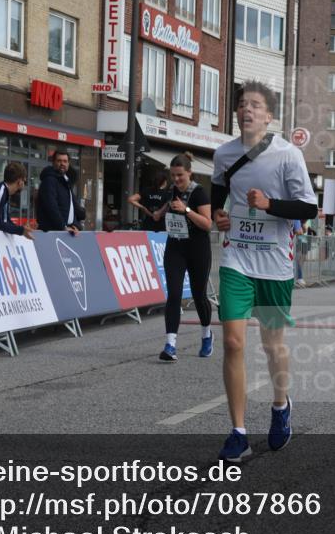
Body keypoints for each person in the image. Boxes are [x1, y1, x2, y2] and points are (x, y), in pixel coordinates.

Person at [211, 81, 318, 462]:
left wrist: (271, 204)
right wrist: (219, 215)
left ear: (269, 116)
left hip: (274, 263)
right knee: (233, 342)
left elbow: (308, 209)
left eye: (255, 105)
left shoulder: (288, 155)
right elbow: (216, 191)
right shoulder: (224, 154)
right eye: (242, 104)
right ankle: (238, 432)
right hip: (236, 257)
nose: (247, 110)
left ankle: (279, 405)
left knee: (272, 343)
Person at [136, 155, 214, 362]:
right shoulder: (172, 192)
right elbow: (165, 209)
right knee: (174, 294)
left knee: (199, 296)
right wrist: (158, 214)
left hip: (198, 249)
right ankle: (170, 344)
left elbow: (207, 224)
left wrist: (187, 210)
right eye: (173, 175)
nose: (176, 179)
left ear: (189, 172)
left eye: (180, 175)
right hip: (175, 248)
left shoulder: (199, 193)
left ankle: (207, 334)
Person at [36, 150, 81, 235]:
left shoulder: (65, 181)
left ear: (68, 163)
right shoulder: (49, 180)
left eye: (65, 161)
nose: (62, 164)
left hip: (66, 231)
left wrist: (75, 224)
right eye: (59, 161)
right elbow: (51, 206)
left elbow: (71, 207)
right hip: (52, 233)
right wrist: (63, 227)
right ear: (53, 162)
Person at [293, 219, 306, 287]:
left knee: (297, 261)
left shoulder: (298, 220)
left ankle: (299, 278)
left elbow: (301, 232)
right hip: (294, 244)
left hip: (297, 244)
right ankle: (299, 278)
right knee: (296, 261)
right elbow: (299, 231)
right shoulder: (296, 219)